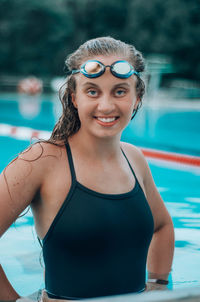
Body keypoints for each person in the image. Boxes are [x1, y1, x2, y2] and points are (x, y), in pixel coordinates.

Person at [0, 37, 174, 301]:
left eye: (120, 91)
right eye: (92, 91)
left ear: (137, 98)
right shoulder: (41, 160)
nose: (106, 106)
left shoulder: (134, 158)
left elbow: (161, 227)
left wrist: (158, 284)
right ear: (74, 97)